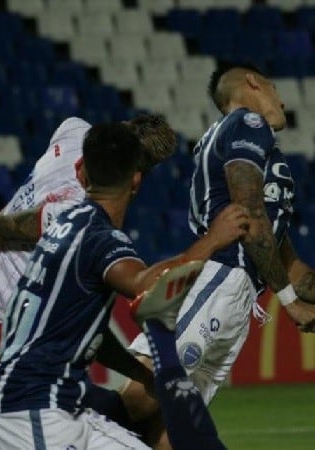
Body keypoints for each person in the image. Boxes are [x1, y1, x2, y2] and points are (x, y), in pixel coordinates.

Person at [0, 122, 247, 449]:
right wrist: (213, 240)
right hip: (36, 410)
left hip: (46, 404)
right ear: (136, 181)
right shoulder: (99, 239)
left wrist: (144, 375)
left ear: (80, 173)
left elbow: (93, 336)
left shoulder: (62, 222)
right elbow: (146, 285)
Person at [122, 62, 315, 448]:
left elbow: (287, 260)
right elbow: (249, 215)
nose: (281, 100)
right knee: (140, 398)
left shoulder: (263, 155)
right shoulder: (247, 123)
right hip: (220, 279)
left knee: (170, 428)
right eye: (275, 89)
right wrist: (290, 304)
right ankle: (47, 425)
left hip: (237, 301)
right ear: (253, 83)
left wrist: (298, 292)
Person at [0, 114, 177, 417]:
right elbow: (5, 225)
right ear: (137, 177)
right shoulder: (86, 220)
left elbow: (5, 221)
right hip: (0, 328)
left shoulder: (74, 130)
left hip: (4, 321)